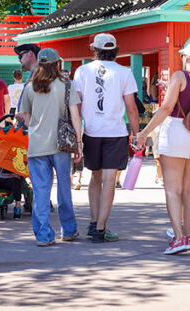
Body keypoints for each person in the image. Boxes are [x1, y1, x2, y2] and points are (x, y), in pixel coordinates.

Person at [135, 41, 190, 255]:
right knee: (188, 189)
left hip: (177, 134)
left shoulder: (179, 76)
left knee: (172, 189)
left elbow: (167, 108)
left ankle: (178, 238)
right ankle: (186, 234)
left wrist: (143, 134)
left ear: (185, 58)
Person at [73, 33, 140, 243]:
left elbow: (76, 103)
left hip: (92, 131)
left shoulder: (82, 71)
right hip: (115, 133)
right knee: (109, 179)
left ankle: (93, 223)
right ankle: (101, 228)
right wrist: (137, 135)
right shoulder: (124, 72)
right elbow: (131, 109)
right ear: (115, 50)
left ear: (95, 49)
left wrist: (77, 132)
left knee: (95, 177)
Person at [16, 48, 83, 246]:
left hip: (37, 145)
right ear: (57, 64)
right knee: (64, 188)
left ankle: (44, 235)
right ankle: (69, 230)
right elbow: (76, 116)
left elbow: (26, 121)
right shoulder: (66, 85)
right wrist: (79, 143)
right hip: (61, 144)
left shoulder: (29, 87)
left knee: (40, 191)